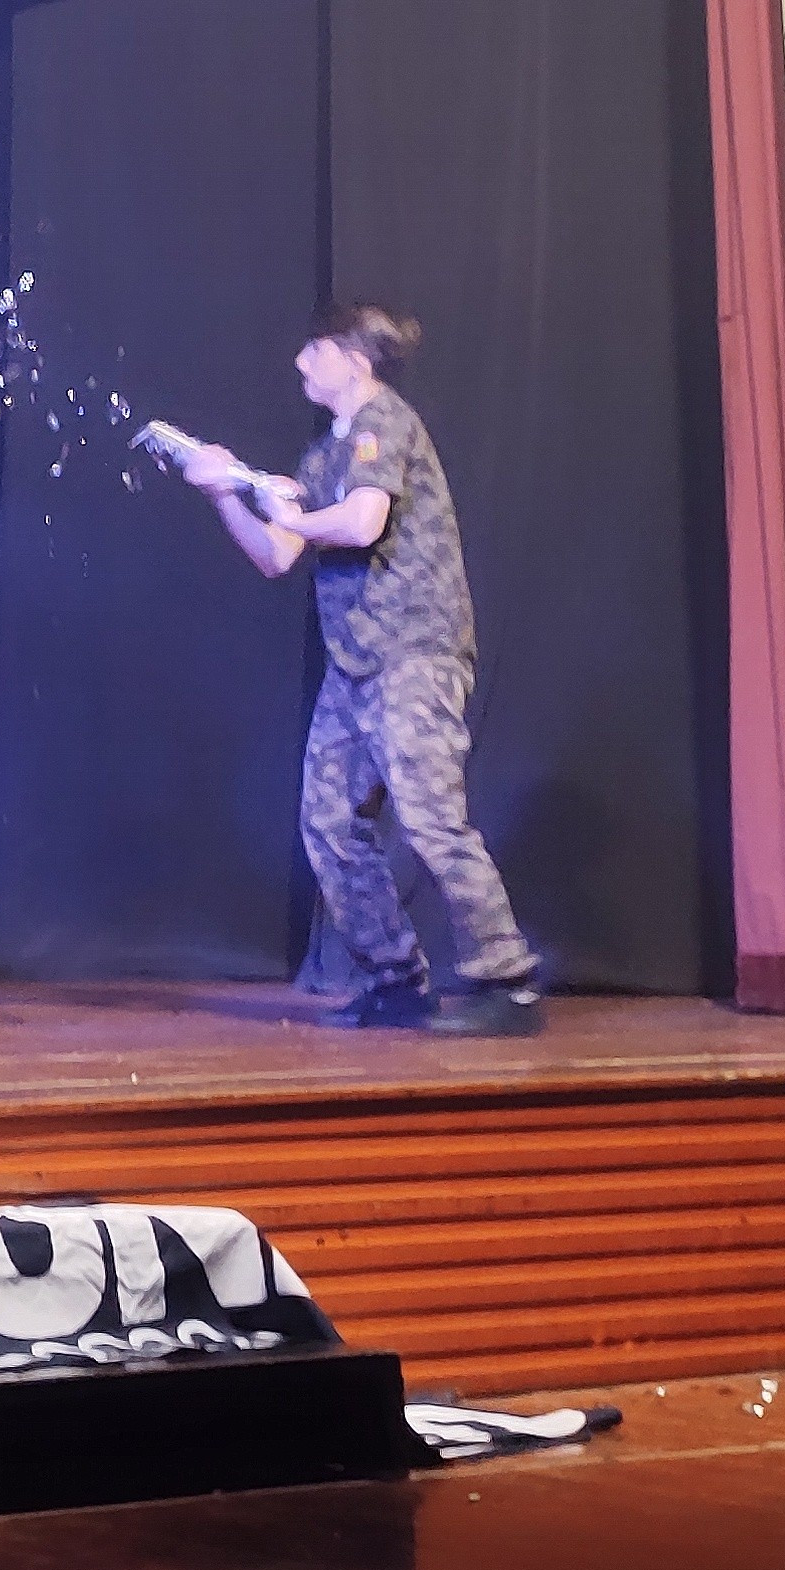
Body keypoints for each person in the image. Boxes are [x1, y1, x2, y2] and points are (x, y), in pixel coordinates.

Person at [161, 305, 547, 1037]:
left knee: (431, 818)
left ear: (354, 359)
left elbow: (363, 521)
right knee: (330, 820)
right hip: (356, 663)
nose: (301, 362)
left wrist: (288, 513)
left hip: (416, 651)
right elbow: (276, 556)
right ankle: (394, 980)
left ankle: (509, 983)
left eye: (315, 349)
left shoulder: (384, 421)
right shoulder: (320, 459)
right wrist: (226, 494)